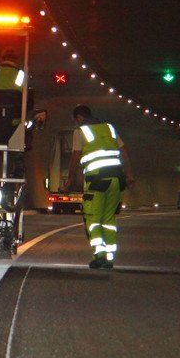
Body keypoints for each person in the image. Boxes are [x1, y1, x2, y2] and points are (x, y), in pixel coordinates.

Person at [65, 104, 135, 269]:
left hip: (97, 180)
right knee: (109, 219)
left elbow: (75, 156)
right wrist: (129, 175)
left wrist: (70, 179)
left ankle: (100, 255)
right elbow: (124, 152)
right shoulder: (109, 128)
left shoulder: (80, 131)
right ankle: (109, 257)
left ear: (79, 118)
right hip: (116, 179)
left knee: (93, 218)